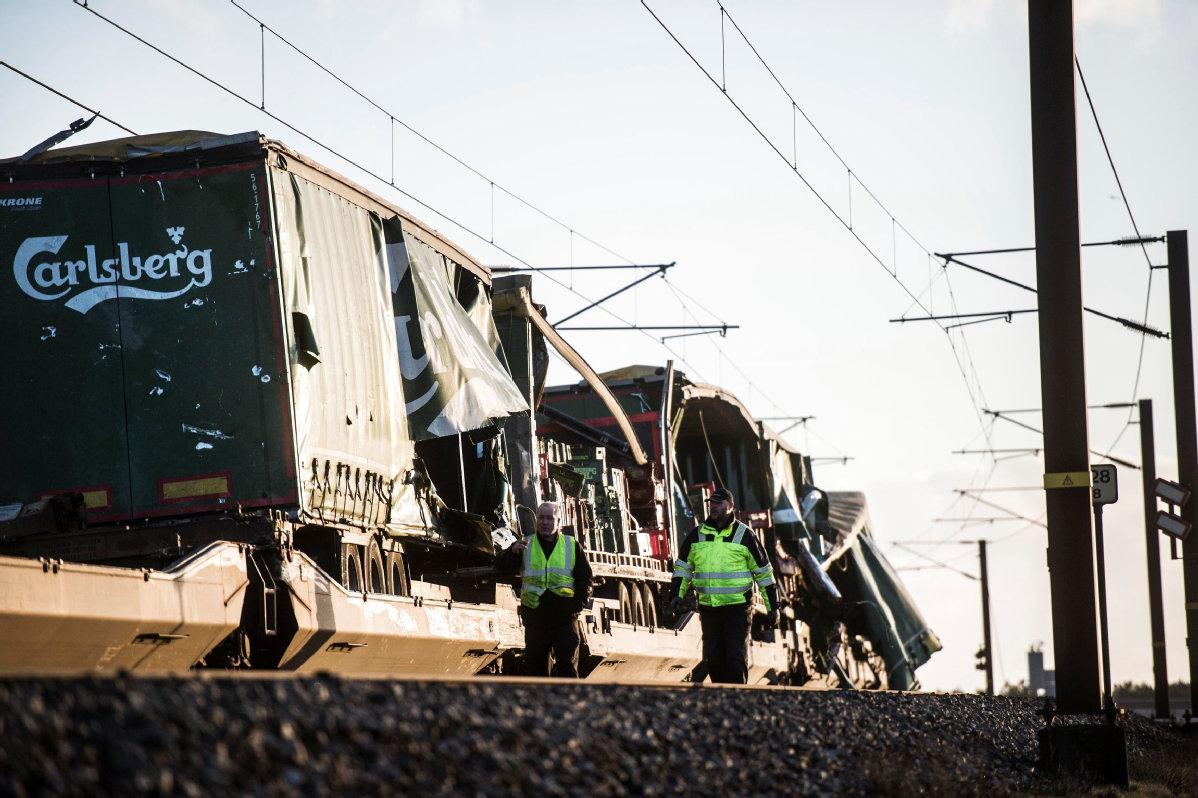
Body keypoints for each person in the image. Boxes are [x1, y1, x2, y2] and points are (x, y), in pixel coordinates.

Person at [670, 488, 779, 684]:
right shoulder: (697, 535)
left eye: (718, 503)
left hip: (738, 608)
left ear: (730, 507)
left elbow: (763, 574)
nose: (713, 507)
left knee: (735, 659)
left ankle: (737, 699)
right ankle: (720, 701)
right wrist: (676, 596)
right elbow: (682, 569)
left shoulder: (745, 535)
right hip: (709, 609)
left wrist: (773, 607)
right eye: (711, 503)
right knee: (714, 660)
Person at [496, 501, 593, 678]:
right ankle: (541, 704)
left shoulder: (571, 545)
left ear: (558, 521)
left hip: (564, 618)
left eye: (550, 518)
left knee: (567, 666)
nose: (545, 522)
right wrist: (512, 552)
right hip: (536, 617)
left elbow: (585, 579)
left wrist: (577, 605)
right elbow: (501, 566)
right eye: (541, 518)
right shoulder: (525, 544)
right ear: (536, 520)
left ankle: (569, 703)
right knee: (537, 669)